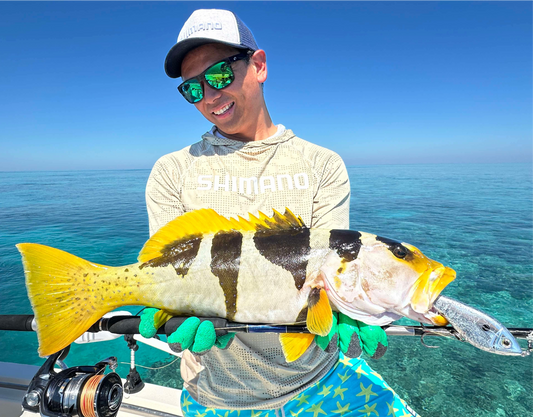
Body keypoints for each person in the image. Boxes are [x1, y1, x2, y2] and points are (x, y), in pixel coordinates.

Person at [144, 9, 419, 417]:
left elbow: (330, 273)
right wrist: (171, 314)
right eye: (193, 89)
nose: (210, 96)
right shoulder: (172, 171)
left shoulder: (322, 165)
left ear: (258, 65)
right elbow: (165, 270)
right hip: (214, 395)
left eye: (219, 75)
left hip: (321, 379)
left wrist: (353, 310)